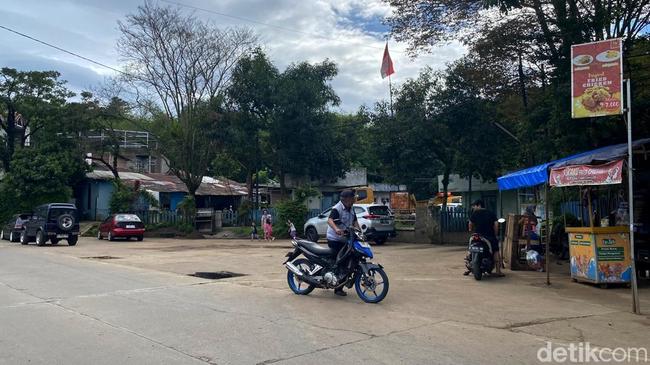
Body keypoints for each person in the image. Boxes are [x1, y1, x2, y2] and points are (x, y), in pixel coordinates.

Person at [326, 189, 361, 296]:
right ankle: (337, 287)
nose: (354, 199)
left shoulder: (351, 208)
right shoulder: (337, 208)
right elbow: (330, 220)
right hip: (335, 239)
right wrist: (336, 229)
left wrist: (360, 232)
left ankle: (341, 281)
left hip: (346, 238)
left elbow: (355, 221)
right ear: (346, 199)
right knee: (341, 261)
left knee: (351, 257)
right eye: (353, 198)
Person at [466, 199, 504, 277]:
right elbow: (496, 224)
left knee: (470, 246)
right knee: (495, 250)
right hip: (489, 236)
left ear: (479, 205)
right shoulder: (491, 213)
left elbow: (470, 224)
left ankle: (468, 262)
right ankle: (498, 271)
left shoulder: (475, 213)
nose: (473, 208)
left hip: (477, 235)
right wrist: (495, 234)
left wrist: (471, 230)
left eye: (474, 206)